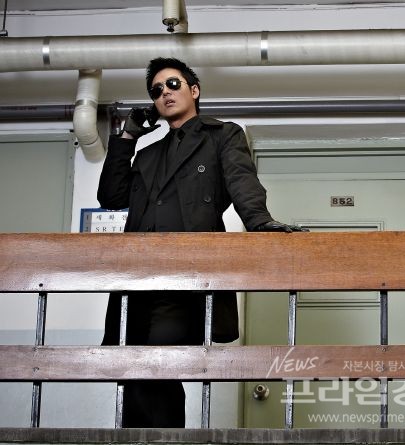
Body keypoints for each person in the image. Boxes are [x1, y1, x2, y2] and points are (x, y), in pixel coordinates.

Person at [97, 57, 305, 428]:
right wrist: (127, 138)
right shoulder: (147, 154)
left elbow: (242, 182)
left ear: (194, 90)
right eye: (156, 90)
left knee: (160, 365)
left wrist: (260, 222)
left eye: (173, 84)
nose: (164, 93)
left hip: (185, 277)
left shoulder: (221, 135)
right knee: (132, 370)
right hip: (137, 278)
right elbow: (111, 196)